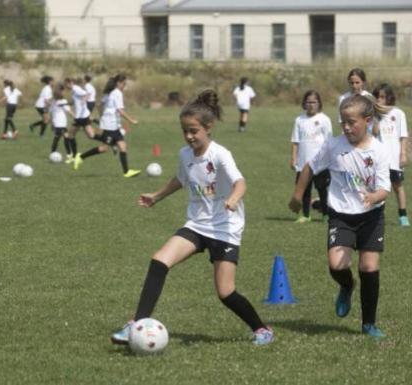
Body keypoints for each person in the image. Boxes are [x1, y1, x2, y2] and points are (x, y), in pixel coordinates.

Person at [111, 89, 274, 346]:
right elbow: (181, 179)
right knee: (159, 261)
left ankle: (262, 329)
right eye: (185, 131)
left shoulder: (220, 154)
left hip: (224, 229)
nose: (189, 136)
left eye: (194, 131)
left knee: (225, 292)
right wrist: (157, 196)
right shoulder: (185, 155)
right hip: (197, 225)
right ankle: (136, 324)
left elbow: (240, 182)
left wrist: (232, 199)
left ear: (208, 128)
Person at [289, 94, 391, 339]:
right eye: (343, 122)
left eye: (351, 122)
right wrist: (297, 194)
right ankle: (347, 286)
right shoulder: (333, 146)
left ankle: (369, 324)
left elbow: (384, 188)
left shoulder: (378, 150)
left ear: (367, 121)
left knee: (368, 267)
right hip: (341, 215)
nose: (345, 127)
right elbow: (309, 168)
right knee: (337, 265)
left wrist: (373, 197)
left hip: (371, 216)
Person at [73, 74, 140, 178]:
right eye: (123, 84)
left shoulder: (110, 93)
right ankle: (80, 157)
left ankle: (126, 172)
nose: (124, 86)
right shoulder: (117, 93)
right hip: (110, 125)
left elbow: (99, 105)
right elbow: (120, 110)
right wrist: (131, 120)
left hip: (114, 125)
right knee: (104, 148)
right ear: (118, 83)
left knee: (123, 147)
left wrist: (102, 116)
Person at [290, 90, 333, 222]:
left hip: (320, 163)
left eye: (314, 102)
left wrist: (328, 159)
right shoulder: (299, 120)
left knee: (322, 189)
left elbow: (329, 142)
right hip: (303, 162)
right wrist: (293, 158)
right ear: (304, 103)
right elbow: (295, 141)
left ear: (319, 103)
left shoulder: (324, 120)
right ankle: (306, 215)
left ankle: (326, 214)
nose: (311, 105)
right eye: (308, 102)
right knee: (305, 190)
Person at [372, 83, 409, 226]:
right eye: (377, 97)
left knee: (397, 186)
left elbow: (403, 135)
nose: (379, 100)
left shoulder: (398, 113)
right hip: (379, 159)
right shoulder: (373, 114)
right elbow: (373, 134)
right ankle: (378, 216)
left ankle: (403, 216)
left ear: (389, 98)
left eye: (382, 97)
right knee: (380, 187)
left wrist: (403, 154)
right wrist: (376, 118)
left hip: (394, 158)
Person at [49, 83, 74, 155]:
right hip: (61, 123)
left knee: (57, 137)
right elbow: (69, 111)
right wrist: (76, 118)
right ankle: (69, 154)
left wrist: (52, 123)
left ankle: (53, 152)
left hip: (57, 123)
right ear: (61, 92)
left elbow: (51, 113)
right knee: (65, 137)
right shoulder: (63, 101)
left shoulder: (53, 102)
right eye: (63, 91)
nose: (64, 92)